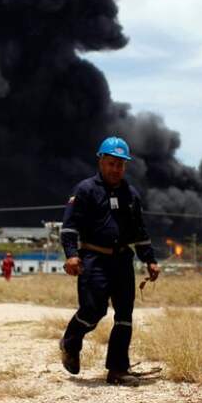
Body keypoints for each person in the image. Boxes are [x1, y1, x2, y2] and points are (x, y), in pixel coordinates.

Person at [58, 136, 160, 386]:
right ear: (101, 161)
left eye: (121, 164)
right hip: (94, 260)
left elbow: (140, 232)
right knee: (94, 311)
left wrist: (150, 260)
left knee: (124, 315)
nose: (116, 169)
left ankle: (117, 369)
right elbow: (69, 228)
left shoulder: (130, 194)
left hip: (123, 261)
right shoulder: (85, 190)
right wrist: (71, 255)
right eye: (112, 163)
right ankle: (71, 341)